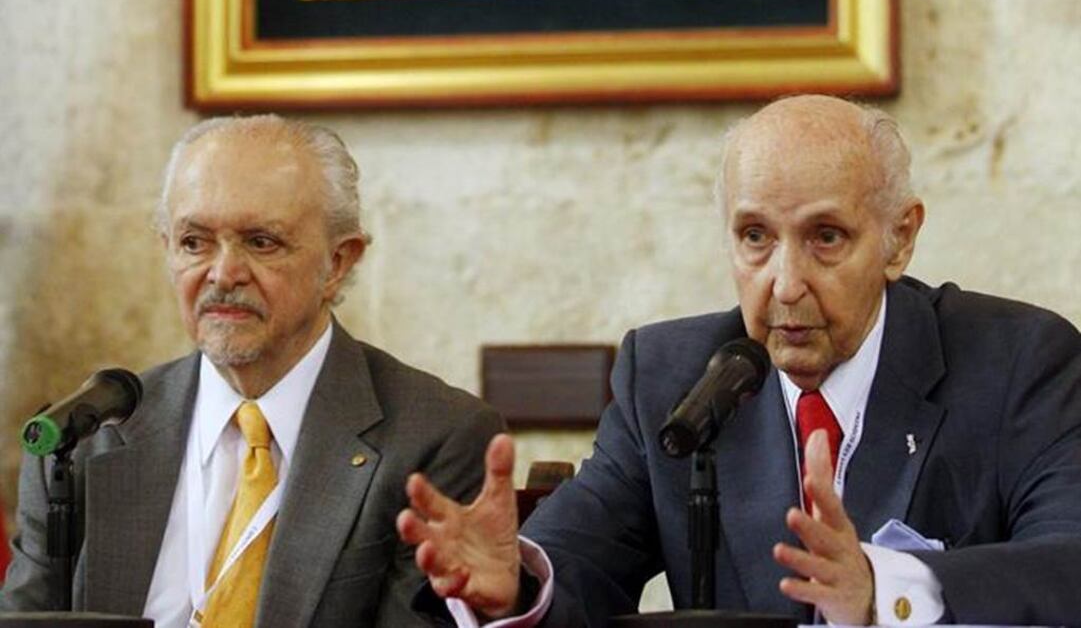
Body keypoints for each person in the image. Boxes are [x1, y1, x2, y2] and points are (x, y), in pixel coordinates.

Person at [398, 95, 1081, 626]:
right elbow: (579, 558)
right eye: (755, 236)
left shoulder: (1018, 363)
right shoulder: (671, 376)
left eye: (825, 237)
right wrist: (516, 586)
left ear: (898, 240)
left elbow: (1067, 569)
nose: (785, 284)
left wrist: (884, 590)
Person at [0, 115, 504, 627]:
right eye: (194, 242)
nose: (223, 274)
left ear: (337, 263)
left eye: (262, 242)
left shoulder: (432, 439)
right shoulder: (85, 442)